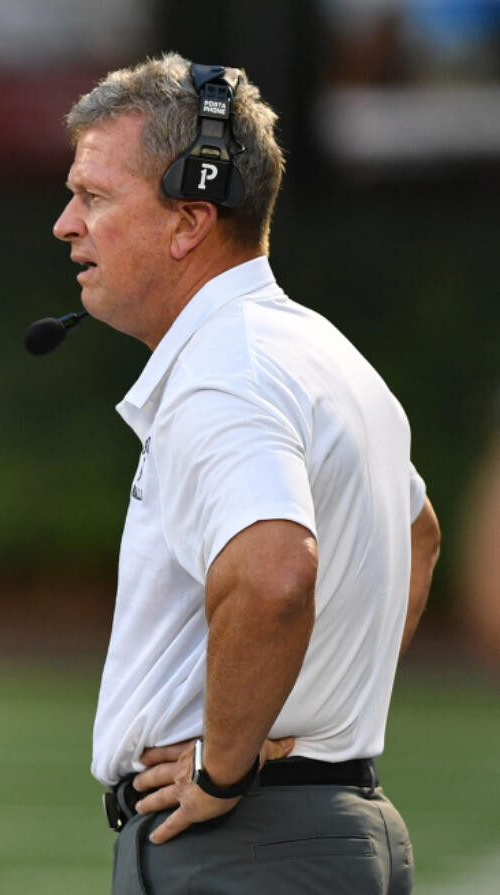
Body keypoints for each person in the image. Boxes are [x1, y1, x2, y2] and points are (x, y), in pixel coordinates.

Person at [50, 53, 441, 893]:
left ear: (189, 220)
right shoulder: (315, 347)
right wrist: (311, 708)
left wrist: (225, 765)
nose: (65, 224)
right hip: (327, 826)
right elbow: (419, 535)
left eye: (94, 196)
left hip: (246, 844)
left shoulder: (226, 368)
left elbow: (273, 571)